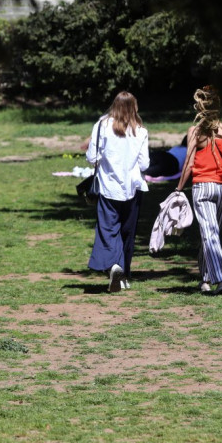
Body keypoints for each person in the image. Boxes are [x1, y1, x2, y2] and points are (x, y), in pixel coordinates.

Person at [175, 85, 222, 295]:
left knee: (210, 234)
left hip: (202, 187)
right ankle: (209, 279)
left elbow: (189, 164)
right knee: (210, 234)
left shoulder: (195, 131)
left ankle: (219, 278)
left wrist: (178, 189)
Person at [86, 91, 150, 292]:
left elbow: (91, 157)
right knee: (127, 233)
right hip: (132, 188)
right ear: (134, 107)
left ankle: (114, 267)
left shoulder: (102, 126)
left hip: (108, 187)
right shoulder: (140, 131)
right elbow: (145, 163)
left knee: (108, 229)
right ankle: (124, 274)